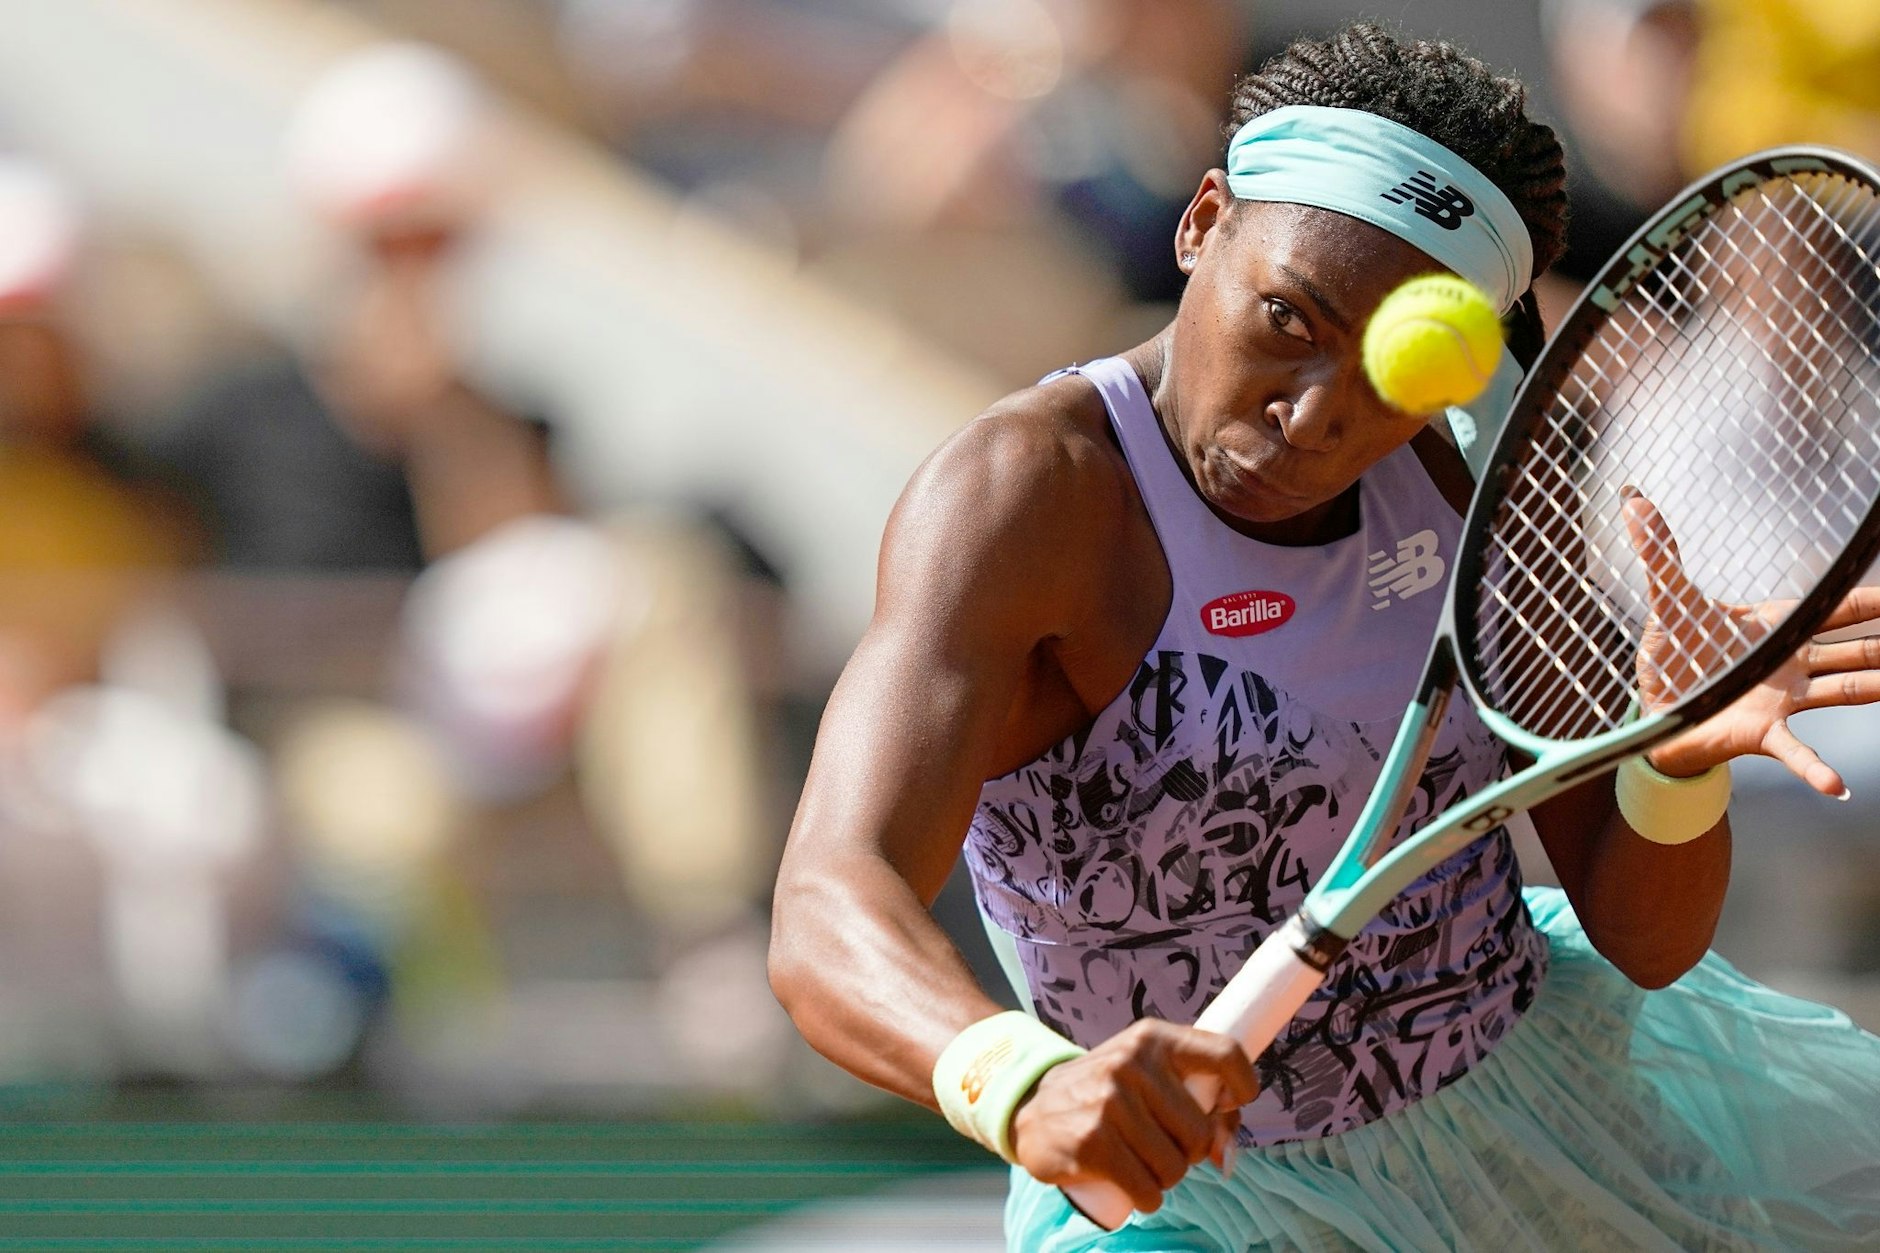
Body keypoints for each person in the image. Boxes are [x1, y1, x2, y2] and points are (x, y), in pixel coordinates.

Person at [768, 22, 1880, 1251]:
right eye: (1288, 320)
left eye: (1389, 371)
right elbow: (828, 900)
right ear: (1202, 222)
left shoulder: (1480, 483)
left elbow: (1644, 938)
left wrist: (1671, 767)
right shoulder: (1023, 495)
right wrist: (1021, 1081)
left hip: (1539, 1141)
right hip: (1181, 1207)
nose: (1311, 416)